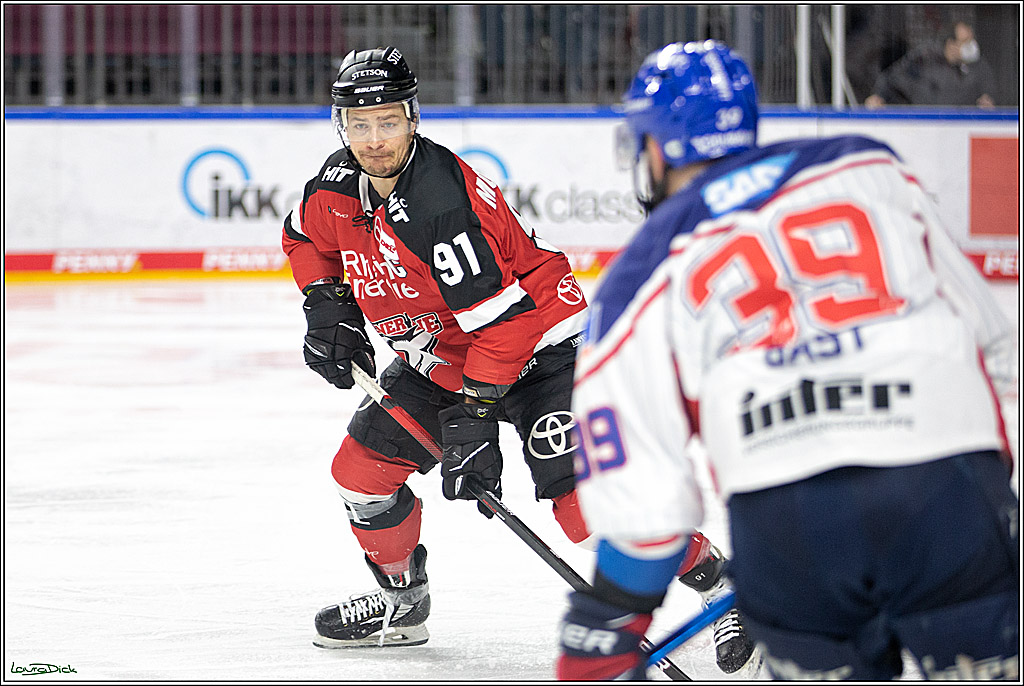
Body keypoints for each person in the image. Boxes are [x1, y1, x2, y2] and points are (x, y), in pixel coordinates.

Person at [281, 46, 756, 673]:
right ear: (341, 126)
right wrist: (326, 304)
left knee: (587, 512)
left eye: (388, 121)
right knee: (361, 473)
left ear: (414, 117)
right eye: (359, 124)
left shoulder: (439, 206)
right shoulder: (337, 185)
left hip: (540, 351)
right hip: (445, 354)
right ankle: (403, 600)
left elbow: (506, 330)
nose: (374, 139)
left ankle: (723, 587)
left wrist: (474, 417)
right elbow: (303, 237)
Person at [556, 40, 1019, 681]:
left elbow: (643, 498)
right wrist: (989, 489)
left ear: (657, 149)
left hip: (791, 520)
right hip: (944, 483)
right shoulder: (865, 166)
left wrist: (610, 615)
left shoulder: (638, 272)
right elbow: (993, 343)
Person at [865, 20, 998, 108]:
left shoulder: (979, 64)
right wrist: (878, 96)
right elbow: (892, 78)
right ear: (951, 45)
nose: (972, 46)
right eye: (965, 41)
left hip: (960, 130)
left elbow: (989, 92)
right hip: (924, 128)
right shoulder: (924, 60)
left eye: (972, 40)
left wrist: (988, 100)